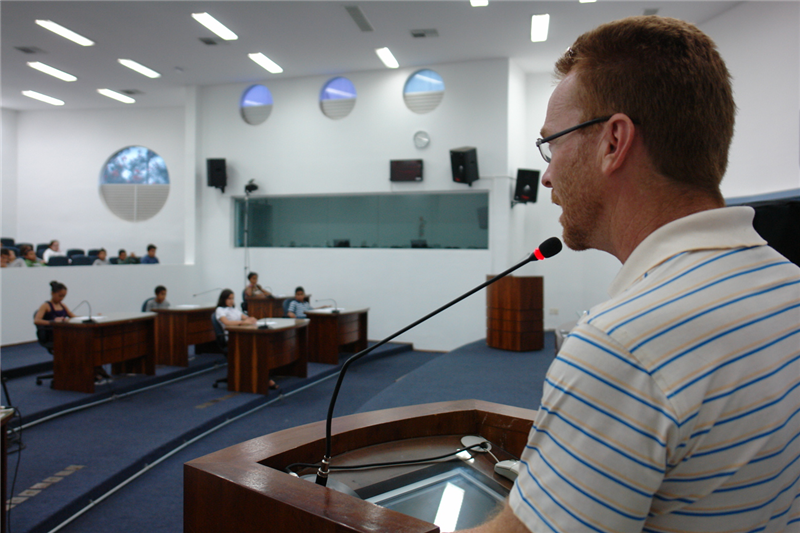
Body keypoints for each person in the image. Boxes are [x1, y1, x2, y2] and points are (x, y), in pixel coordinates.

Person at [462, 17, 800, 533]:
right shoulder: (789, 286)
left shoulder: (623, 346)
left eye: (551, 144)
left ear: (613, 142)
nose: (547, 174)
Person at [33, 281, 110, 383]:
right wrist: (53, 322)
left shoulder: (62, 305)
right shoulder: (46, 306)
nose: (62, 298)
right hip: (52, 336)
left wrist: (91, 317)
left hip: (65, 335)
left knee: (90, 343)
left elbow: (73, 316)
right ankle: (87, 372)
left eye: (64, 296)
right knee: (82, 345)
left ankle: (94, 370)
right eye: (60, 295)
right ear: (53, 293)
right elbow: (37, 320)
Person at [214, 289, 277, 389]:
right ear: (223, 299)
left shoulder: (233, 309)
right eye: (229, 298)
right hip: (231, 338)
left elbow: (245, 317)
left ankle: (263, 377)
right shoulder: (220, 310)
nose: (231, 301)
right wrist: (243, 323)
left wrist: (251, 319)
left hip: (242, 335)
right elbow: (227, 322)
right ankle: (264, 379)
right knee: (256, 350)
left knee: (261, 348)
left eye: (233, 298)